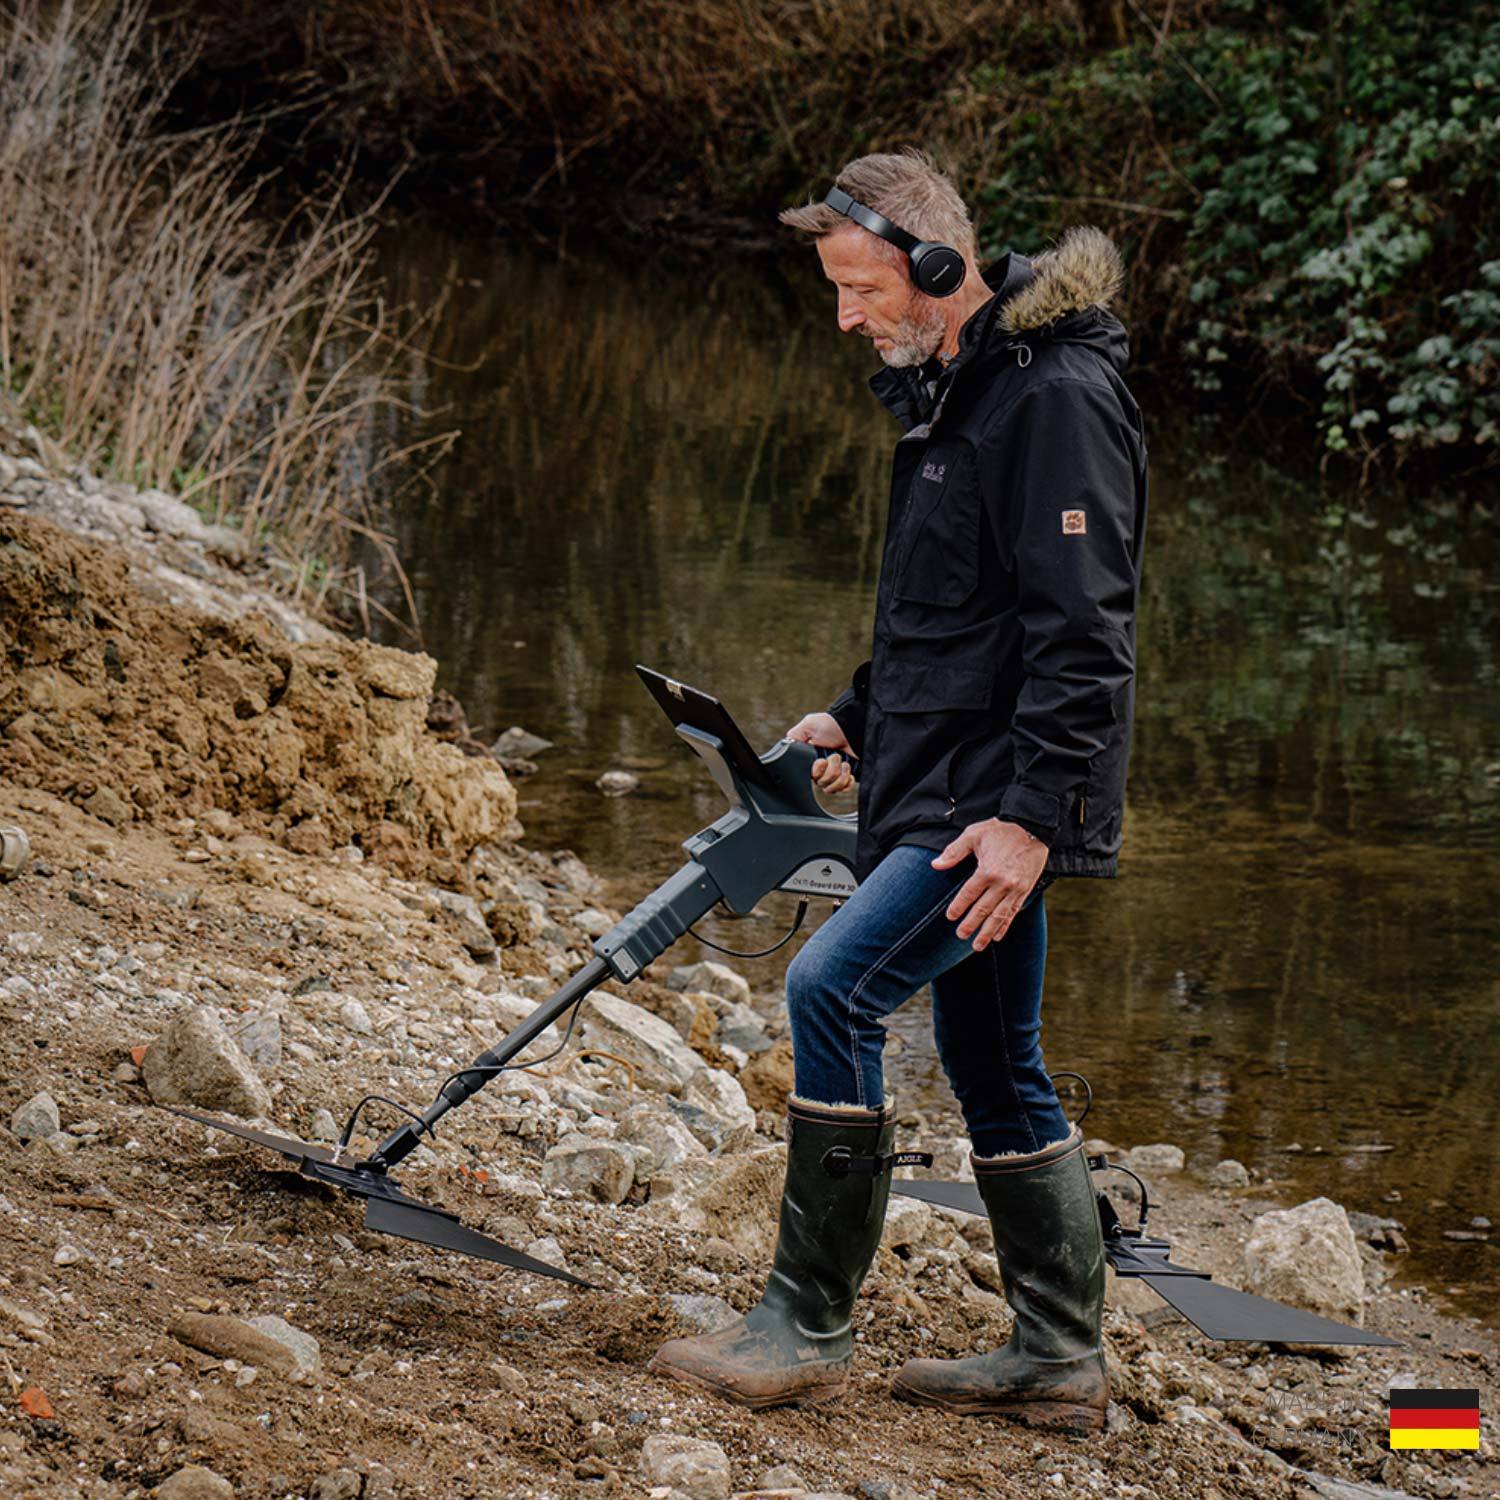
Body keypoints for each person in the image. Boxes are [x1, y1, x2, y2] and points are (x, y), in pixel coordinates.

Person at [650, 149, 1148, 1433]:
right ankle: (1057, 1358)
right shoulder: (954, 395)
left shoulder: (1055, 401)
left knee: (830, 988)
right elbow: (948, 614)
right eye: (835, 288)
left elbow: (1084, 636)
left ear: (938, 269)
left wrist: (1032, 821)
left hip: (991, 808)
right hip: (940, 788)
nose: (844, 316)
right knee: (994, 1060)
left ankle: (804, 1326)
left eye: (860, 287)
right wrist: (856, 716)